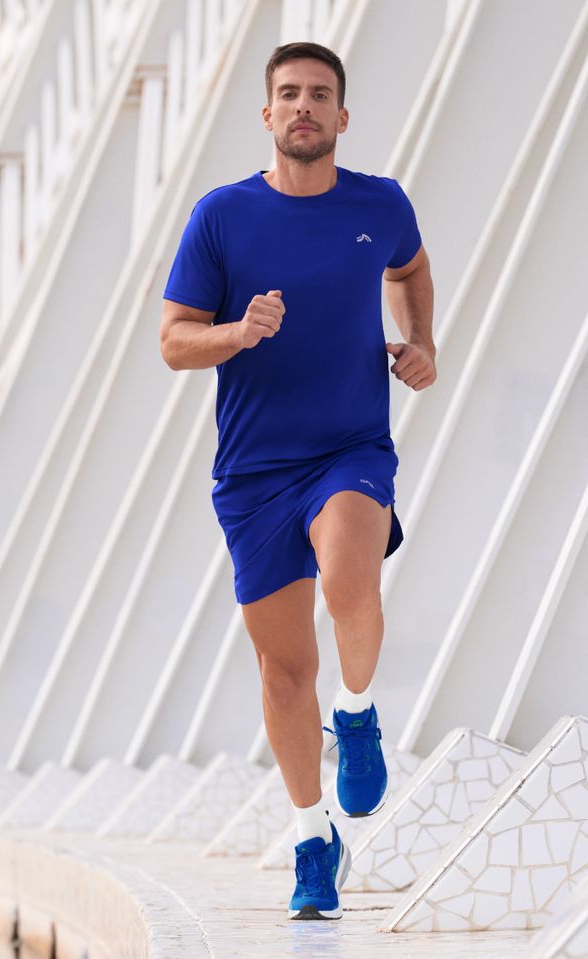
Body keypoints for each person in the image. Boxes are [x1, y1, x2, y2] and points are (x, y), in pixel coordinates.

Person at [159, 40, 435, 920]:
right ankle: (313, 837)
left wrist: (419, 339)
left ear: (342, 117)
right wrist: (237, 333)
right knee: (284, 669)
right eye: (289, 94)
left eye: (321, 94)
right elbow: (173, 340)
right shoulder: (222, 216)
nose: (305, 106)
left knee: (353, 574)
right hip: (253, 472)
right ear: (269, 115)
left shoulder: (379, 203)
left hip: (351, 445)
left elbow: (410, 268)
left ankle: (355, 714)